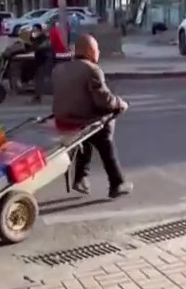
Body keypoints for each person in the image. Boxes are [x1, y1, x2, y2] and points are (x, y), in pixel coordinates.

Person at [52, 34, 131, 199]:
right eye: (97, 49)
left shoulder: (59, 69)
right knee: (105, 128)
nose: (99, 53)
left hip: (62, 119)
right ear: (89, 51)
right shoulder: (92, 70)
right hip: (81, 120)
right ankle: (117, 182)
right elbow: (105, 100)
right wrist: (120, 103)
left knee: (89, 133)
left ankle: (81, 177)